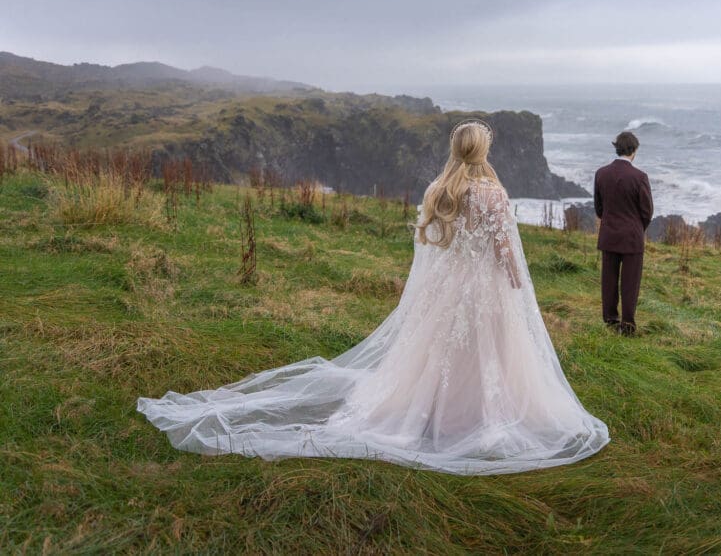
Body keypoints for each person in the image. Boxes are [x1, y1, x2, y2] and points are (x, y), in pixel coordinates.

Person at [137, 119, 609, 475]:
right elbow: (506, 250)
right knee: (488, 353)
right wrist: (515, 284)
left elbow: (432, 248)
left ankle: (436, 414)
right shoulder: (493, 193)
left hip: (448, 288)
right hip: (482, 287)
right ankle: (475, 420)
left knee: (439, 351)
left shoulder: (437, 189)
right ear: (482, 150)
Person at [593, 131, 654, 336]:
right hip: (632, 237)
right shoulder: (640, 177)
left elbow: (599, 209)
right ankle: (627, 325)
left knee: (608, 280)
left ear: (617, 148)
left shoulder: (601, 173)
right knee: (630, 283)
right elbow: (647, 211)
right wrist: (638, 227)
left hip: (609, 234)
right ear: (634, 151)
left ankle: (610, 319)